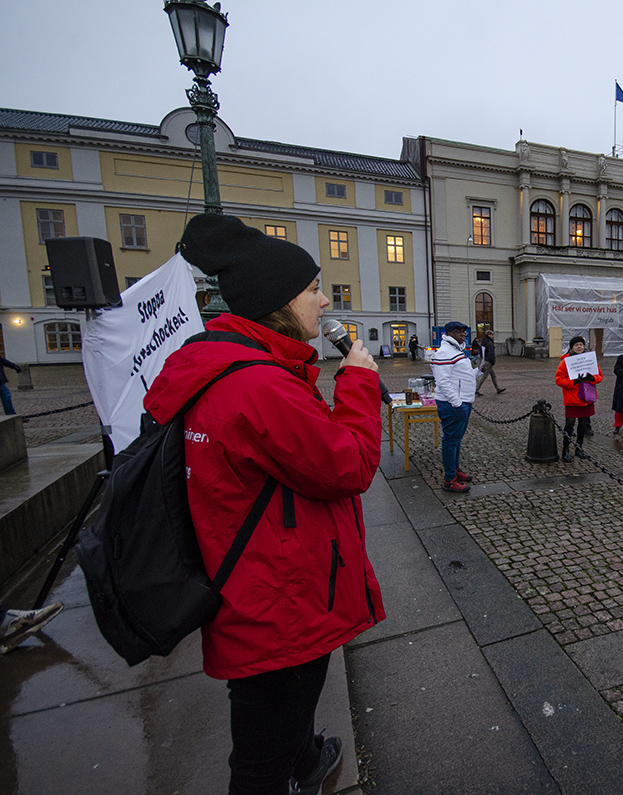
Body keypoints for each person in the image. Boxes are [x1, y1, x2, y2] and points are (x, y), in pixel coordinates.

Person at [147, 213, 385, 795]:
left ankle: (305, 758)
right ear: (278, 301)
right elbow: (347, 465)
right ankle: (294, 760)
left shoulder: (231, 366)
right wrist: (356, 383)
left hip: (262, 579)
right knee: (258, 758)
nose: (324, 300)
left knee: (283, 704)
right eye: (312, 290)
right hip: (277, 596)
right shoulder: (257, 384)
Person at [431, 321, 479, 492]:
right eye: (460, 332)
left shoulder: (456, 350)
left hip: (462, 402)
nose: (464, 334)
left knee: (456, 440)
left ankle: (454, 470)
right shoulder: (445, 352)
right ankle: (449, 480)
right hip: (453, 404)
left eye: (464, 332)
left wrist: (478, 371)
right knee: (451, 441)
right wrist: (457, 403)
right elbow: (442, 382)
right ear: (451, 333)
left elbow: (461, 376)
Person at [554, 336, 603, 462]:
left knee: (583, 423)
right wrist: (574, 382)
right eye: (576, 345)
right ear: (572, 347)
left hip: (586, 397)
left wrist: (593, 379)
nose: (579, 347)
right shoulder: (565, 361)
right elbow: (558, 379)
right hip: (572, 397)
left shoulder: (590, 360)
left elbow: (599, 375)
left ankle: (579, 448)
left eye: (581, 344)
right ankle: (565, 449)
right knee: (569, 424)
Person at [475, 329, 506, 396]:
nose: (492, 336)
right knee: (484, 376)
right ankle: (476, 389)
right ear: (489, 335)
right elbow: (491, 353)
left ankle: (497, 388)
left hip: (485, 360)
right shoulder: (489, 343)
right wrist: (491, 361)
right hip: (488, 361)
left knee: (493, 375)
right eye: (492, 335)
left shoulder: (484, 342)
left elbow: (481, 351)